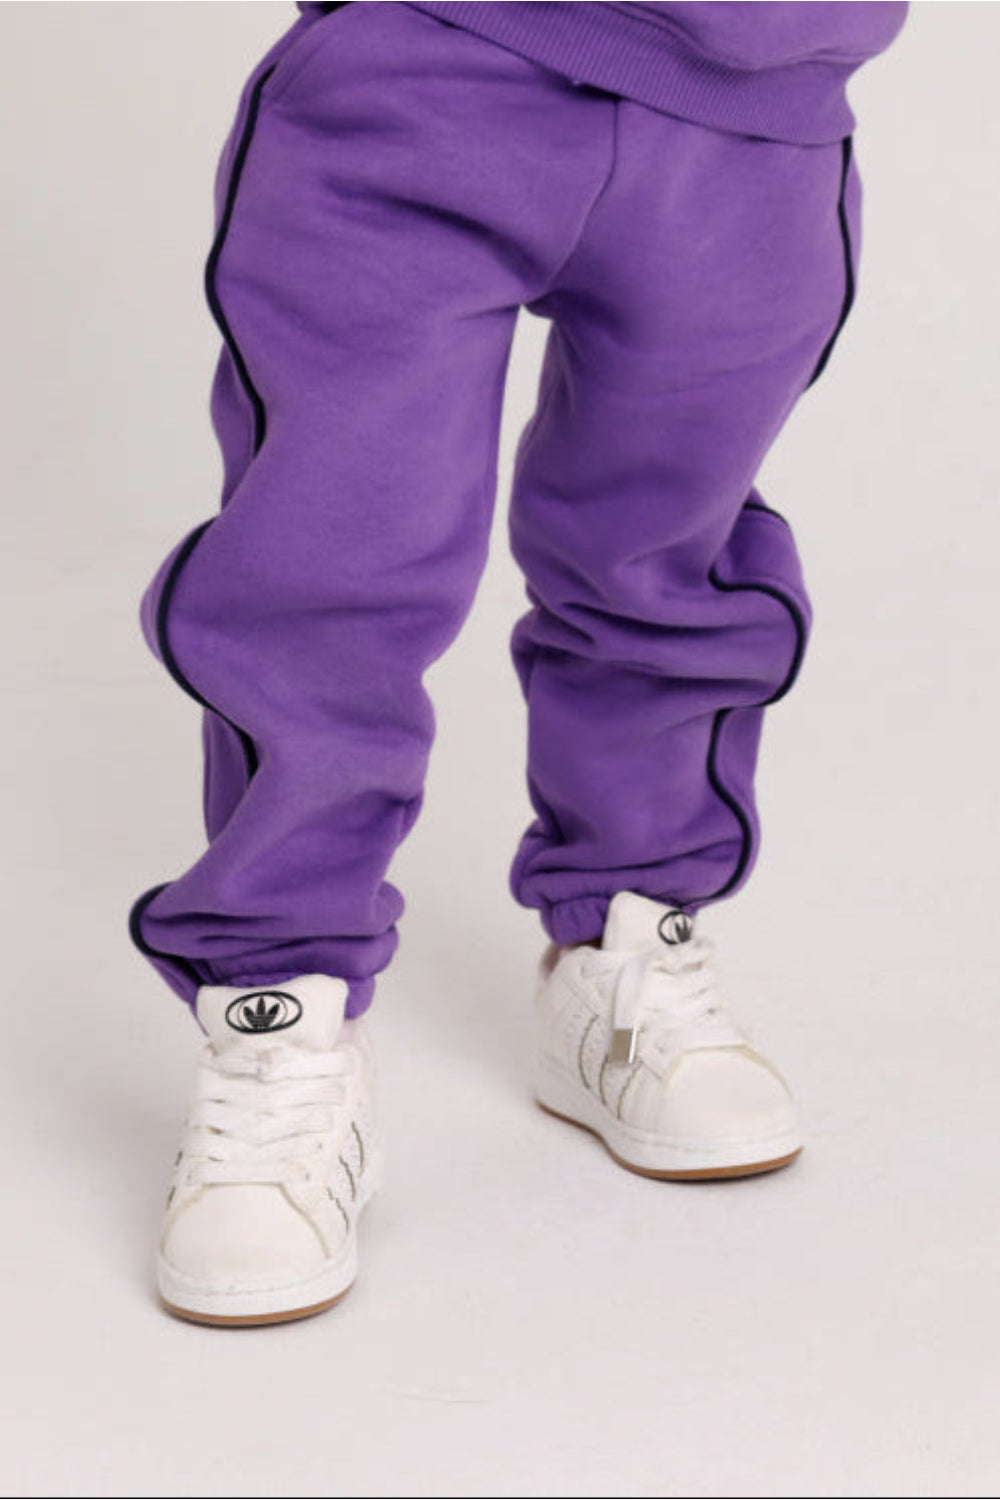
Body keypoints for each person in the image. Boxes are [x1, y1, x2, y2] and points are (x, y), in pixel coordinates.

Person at [129, 1, 908, 1326]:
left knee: (671, 561)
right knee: (323, 559)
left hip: (765, 97)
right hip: (433, 59)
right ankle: (277, 1003)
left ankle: (627, 937)